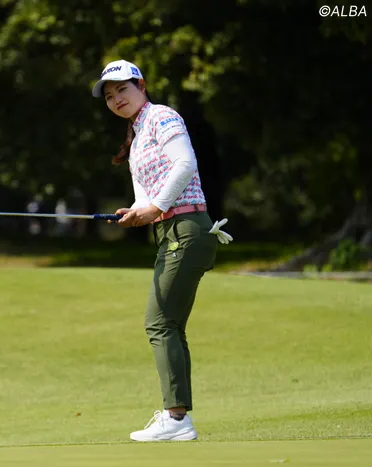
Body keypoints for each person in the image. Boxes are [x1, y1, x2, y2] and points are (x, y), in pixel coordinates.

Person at [91, 60, 232, 442]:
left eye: (122, 89)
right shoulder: (137, 138)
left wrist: (155, 208)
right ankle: (177, 417)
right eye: (109, 96)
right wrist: (136, 213)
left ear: (141, 86)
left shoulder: (162, 117)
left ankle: (176, 418)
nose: (116, 99)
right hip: (170, 231)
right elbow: (146, 199)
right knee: (169, 324)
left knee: (159, 322)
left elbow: (185, 164)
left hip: (187, 227)